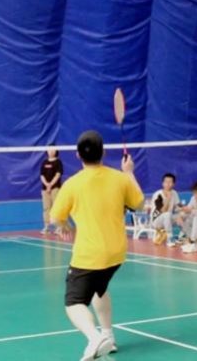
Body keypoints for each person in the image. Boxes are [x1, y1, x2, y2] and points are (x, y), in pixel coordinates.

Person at [50, 130, 144, 359]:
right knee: (98, 290)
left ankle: (95, 337)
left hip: (89, 255)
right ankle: (108, 336)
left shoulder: (72, 184)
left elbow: (55, 218)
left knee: (73, 302)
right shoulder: (120, 178)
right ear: (104, 152)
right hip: (116, 254)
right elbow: (139, 204)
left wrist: (64, 226)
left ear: (77, 155)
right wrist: (129, 172)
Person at [150, 173, 180, 247]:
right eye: (166, 182)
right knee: (167, 214)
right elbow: (163, 211)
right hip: (156, 220)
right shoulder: (158, 195)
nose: (168, 184)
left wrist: (182, 213)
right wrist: (168, 198)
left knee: (184, 216)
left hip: (168, 219)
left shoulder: (174, 193)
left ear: (173, 184)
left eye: (170, 182)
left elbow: (178, 207)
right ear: (163, 183)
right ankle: (169, 238)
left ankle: (186, 238)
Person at [40, 146, 63, 234]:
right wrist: (46, 185)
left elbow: (58, 175)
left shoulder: (58, 162)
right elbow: (42, 175)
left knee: (56, 207)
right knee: (46, 208)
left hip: (55, 188)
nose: (51, 151)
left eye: (53, 149)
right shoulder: (44, 162)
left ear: (56, 150)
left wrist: (50, 185)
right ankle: (47, 227)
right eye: (49, 149)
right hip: (45, 189)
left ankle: (59, 227)